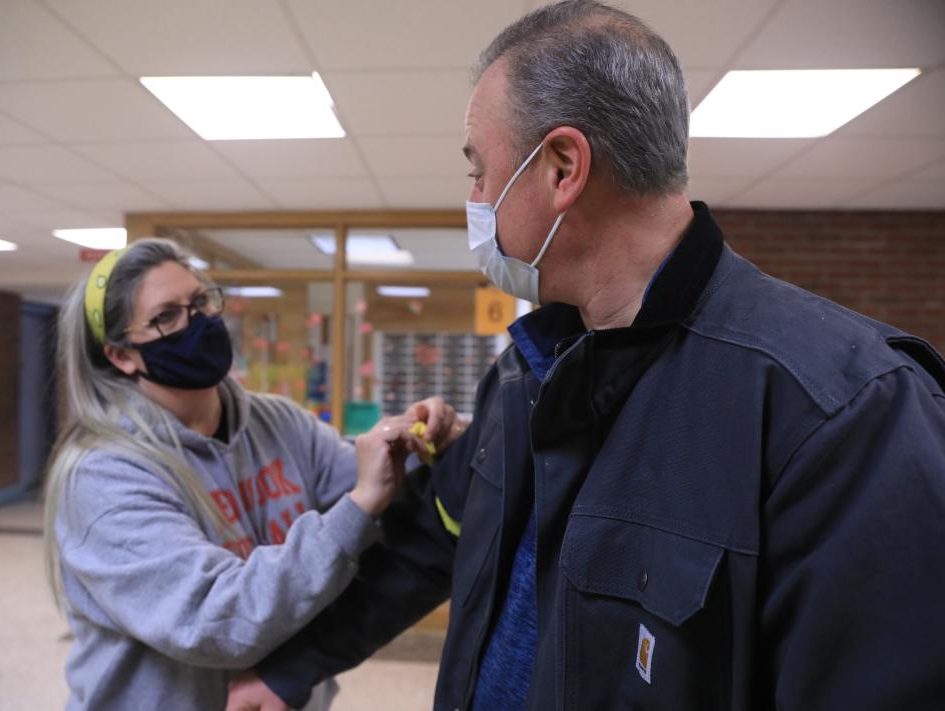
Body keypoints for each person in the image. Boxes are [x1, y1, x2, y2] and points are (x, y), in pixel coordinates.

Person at [228, 2, 945, 709]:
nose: (473, 197)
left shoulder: (845, 412)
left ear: (562, 166)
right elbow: (432, 542)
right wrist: (291, 669)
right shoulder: (525, 372)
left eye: (479, 171)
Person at [43, 238, 462, 710]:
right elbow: (219, 620)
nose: (196, 322)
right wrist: (361, 503)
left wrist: (423, 443)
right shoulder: (103, 475)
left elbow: (381, 494)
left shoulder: (278, 422)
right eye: (166, 317)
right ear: (122, 355)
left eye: (200, 301)